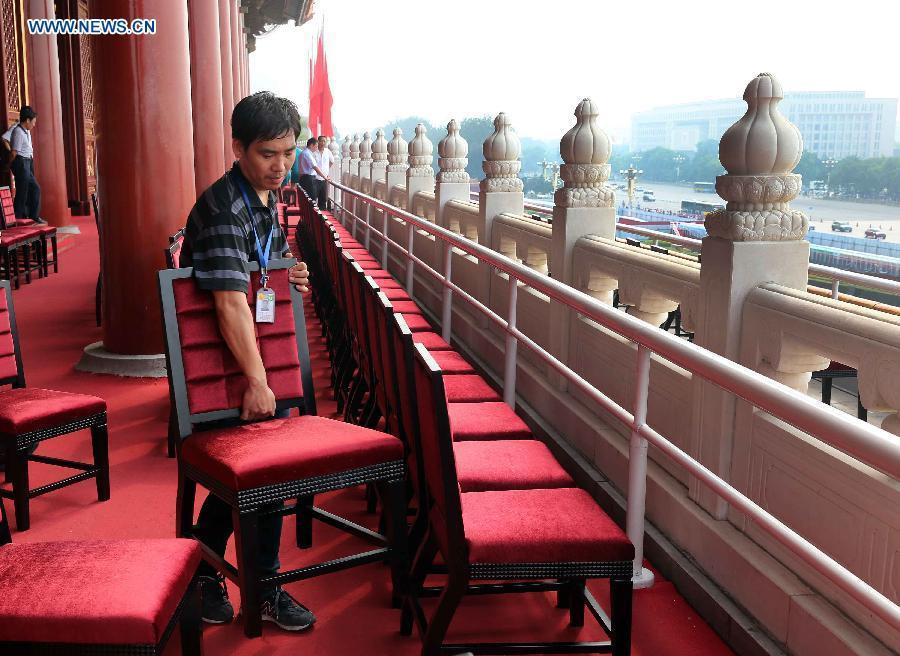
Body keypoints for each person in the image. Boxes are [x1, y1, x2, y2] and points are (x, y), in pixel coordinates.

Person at [178, 91, 314, 633]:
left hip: (247, 355)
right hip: (217, 371)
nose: (280, 166)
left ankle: (203, 565)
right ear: (238, 148)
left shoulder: (261, 197)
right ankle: (267, 586)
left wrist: (287, 278)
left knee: (255, 472)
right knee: (271, 464)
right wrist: (259, 383)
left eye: (288, 152)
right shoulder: (223, 210)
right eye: (267, 154)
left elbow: (263, 275)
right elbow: (230, 302)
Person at [6, 107, 45, 224]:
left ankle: (28, 215)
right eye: (33, 122)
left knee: (30, 189)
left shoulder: (26, 130)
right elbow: (14, 152)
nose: (34, 125)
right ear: (27, 120)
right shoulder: (18, 132)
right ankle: (19, 217)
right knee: (24, 191)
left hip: (27, 162)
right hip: (21, 163)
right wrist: (8, 164)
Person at [297, 137, 327, 201]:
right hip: (308, 179)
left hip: (304, 178)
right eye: (316, 146)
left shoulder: (303, 153)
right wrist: (324, 177)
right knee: (311, 199)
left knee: (306, 199)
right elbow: (315, 167)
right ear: (311, 145)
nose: (316, 149)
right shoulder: (307, 154)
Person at [313, 135, 334, 210]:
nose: (322, 143)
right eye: (321, 141)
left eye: (324, 141)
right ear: (317, 142)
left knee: (323, 200)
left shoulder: (327, 151)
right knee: (313, 199)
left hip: (324, 179)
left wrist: (327, 170)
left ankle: (322, 220)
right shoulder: (314, 152)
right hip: (315, 179)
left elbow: (332, 161)